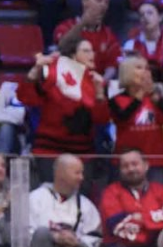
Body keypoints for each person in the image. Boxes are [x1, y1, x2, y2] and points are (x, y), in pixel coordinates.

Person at [18, 34, 110, 166]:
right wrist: (35, 70)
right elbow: (26, 98)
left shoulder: (97, 82)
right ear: (73, 56)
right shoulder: (52, 76)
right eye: (86, 51)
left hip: (82, 153)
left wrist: (100, 93)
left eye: (93, 50)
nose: (92, 54)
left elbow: (101, 120)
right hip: (49, 150)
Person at [124, 1, 163, 85]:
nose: (145, 17)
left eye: (150, 13)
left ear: (160, 17)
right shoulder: (130, 46)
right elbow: (126, 77)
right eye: (142, 15)